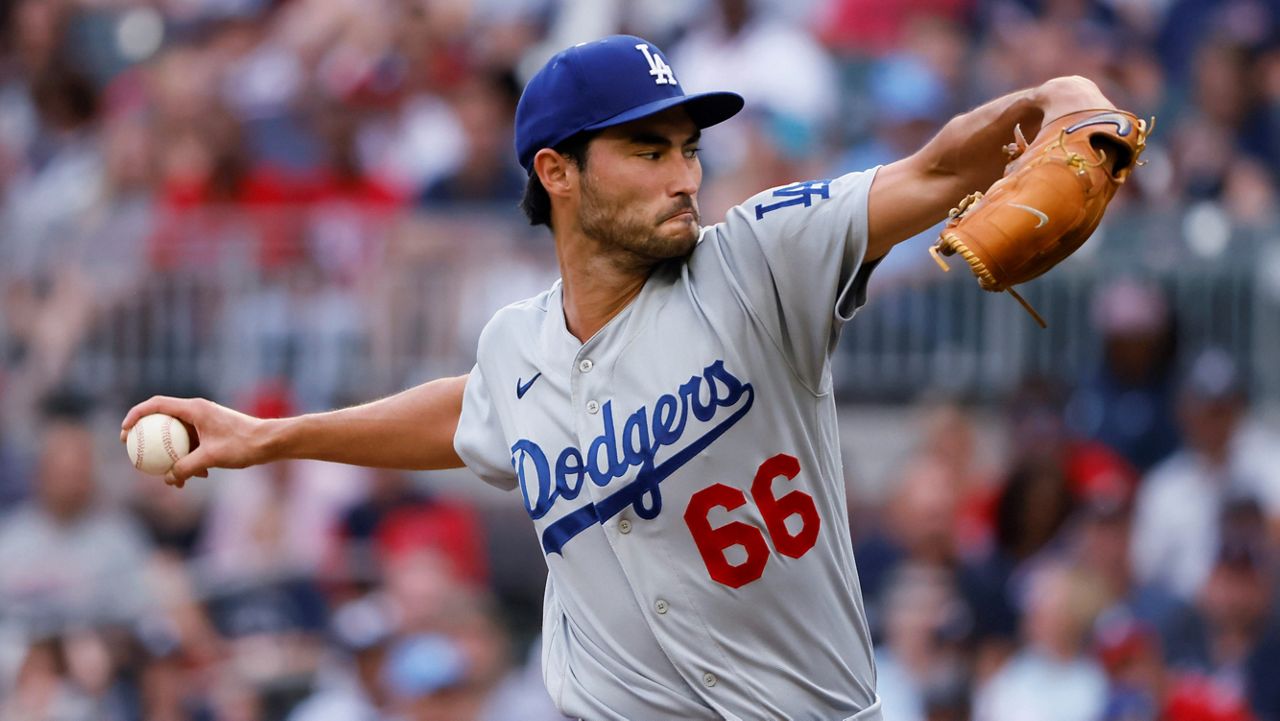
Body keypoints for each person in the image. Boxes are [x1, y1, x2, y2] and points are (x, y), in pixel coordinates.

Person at [122, 34, 1119, 720]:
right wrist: (268, 435)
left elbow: (941, 168)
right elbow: (471, 412)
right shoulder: (517, 348)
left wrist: (1061, 98)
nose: (684, 173)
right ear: (556, 172)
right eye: (647, 149)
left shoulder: (759, 259)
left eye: (687, 146)